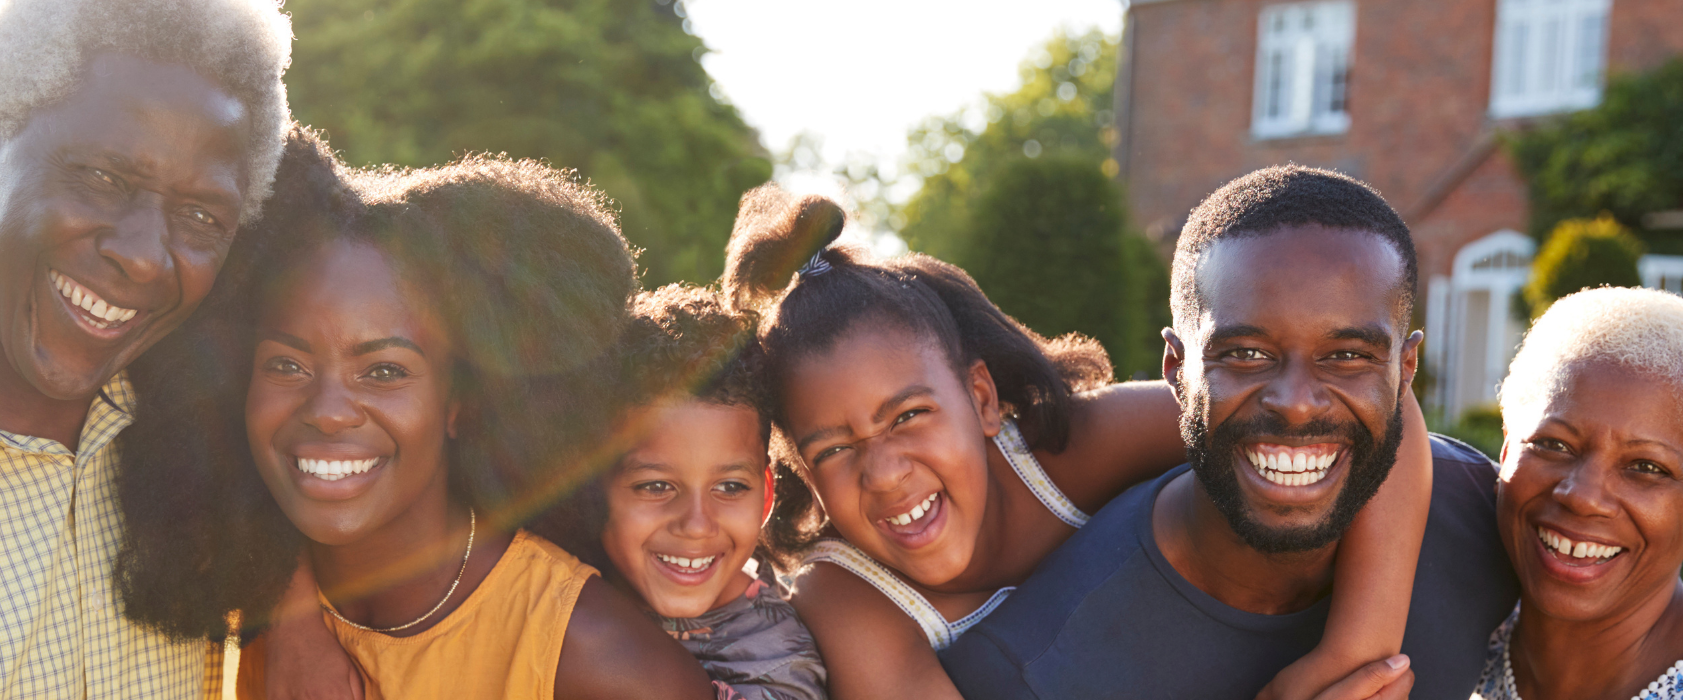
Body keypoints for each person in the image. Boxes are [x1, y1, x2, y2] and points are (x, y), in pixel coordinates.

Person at [719, 182, 1434, 700]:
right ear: (805, 476)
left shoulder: (1064, 451)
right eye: (835, 449)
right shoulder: (846, 594)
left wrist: (1352, 655)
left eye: (907, 416)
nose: (882, 471)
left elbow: (1381, 408)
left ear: (982, 398)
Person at [112, 129, 715, 699]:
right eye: (286, 366)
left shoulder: (593, 656)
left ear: (461, 402)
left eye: (383, 371)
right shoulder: (219, 585)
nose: (327, 413)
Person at [0, 0, 292, 695]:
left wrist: (302, 621)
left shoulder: (193, 421)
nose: (143, 259)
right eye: (103, 179)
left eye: (200, 216)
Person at [939, 165, 1521, 700]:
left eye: (1346, 355)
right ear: (1175, 368)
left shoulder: (1489, 519)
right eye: (1245, 353)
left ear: (1405, 373)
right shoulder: (1030, 674)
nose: (1295, 404)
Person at [1471, 287, 1683, 700]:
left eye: (1647, 468)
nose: (1583, 496)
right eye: (1553, 444)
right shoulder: (1446, 640)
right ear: (1507, 450)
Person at [560, 284, 828, 700]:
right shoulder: (547, 593)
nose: (697, 524)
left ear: (766, 496)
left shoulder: (781, 663)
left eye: (730, 487)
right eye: (656, 486)